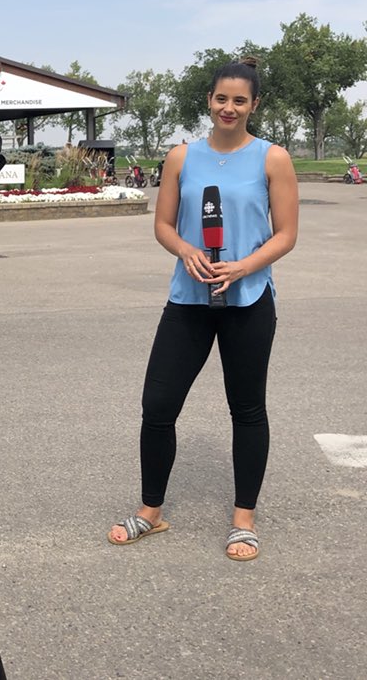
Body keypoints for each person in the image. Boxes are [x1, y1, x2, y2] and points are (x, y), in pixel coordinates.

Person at [107, 57, 298, 561]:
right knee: (158, 407)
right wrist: (185, 250)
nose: (228, 108)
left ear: (254, 104)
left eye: (240, 100)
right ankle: (151, 511)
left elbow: (286, 235)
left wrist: (242, 267)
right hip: (188, 299)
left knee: (248, 409)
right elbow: (164, 225)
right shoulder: (180, 157)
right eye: (221, 98)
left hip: (248, 299)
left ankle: (243, 519)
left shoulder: (272, 158)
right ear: (209, 100)